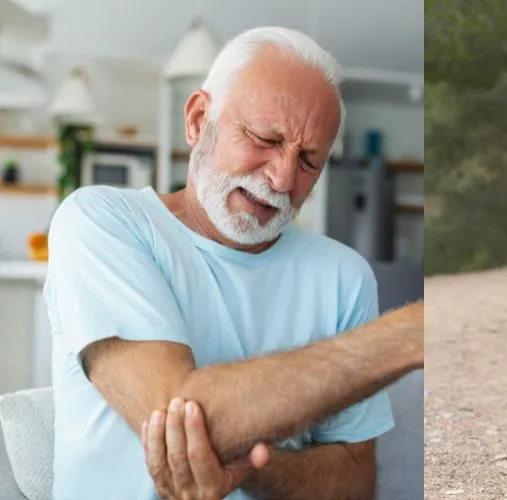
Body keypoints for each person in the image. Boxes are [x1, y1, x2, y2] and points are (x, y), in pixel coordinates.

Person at [43, 26, 423, 500]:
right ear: (200, 119)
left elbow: (355, 483)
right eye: (265, 138)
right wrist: (406, 335)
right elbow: (174, 414)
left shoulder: (344, 276)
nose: (283, 177)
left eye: (309, 161)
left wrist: (257, 466)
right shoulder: (101, 221)